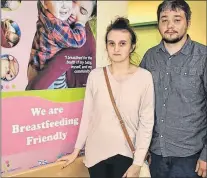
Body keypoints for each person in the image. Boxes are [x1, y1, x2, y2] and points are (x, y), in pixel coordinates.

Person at [57, 17, 154, 178]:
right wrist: (76, 150)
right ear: (106, 46)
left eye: (122, 43)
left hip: (126, 156)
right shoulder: (95, 76)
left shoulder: (144, 77)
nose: (116, 48)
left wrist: (137, 163)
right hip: (96, 157)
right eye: (111, 43)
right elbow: (87, 116)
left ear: (132, 46)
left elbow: (146, 123)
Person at [140, 0, 207, 178]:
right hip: (156, 154)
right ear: (158, 24)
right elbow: (141, 104)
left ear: (188, 23)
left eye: (177, 19)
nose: (170, 26)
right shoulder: (150, 57)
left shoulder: (203, 56)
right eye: (164, 20)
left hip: (191, 157)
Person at [26, 0, 97, 90]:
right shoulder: (58, 24)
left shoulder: (47, 13)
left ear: (90, 17)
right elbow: (77, 40)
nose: (73, 10)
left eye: (82, 11)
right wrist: (80, 23)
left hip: (42, 73)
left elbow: (79, 40)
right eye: (73, 1)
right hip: (45, 76)